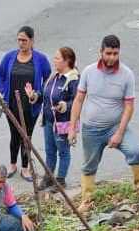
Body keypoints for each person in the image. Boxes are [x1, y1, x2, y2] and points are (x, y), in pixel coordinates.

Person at [68, 35, 139, 212]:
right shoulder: (89, 72)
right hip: (91, 129)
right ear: (101, 52)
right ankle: (87, 200)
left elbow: (129, 106)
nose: (112, 57)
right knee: (89, 165)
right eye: (108, 53)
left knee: (135, 152)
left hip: (115, 127)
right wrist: (72, 127)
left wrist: (119, 133)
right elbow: (79, 100)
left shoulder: (127, 75)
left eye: (115, 53)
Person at [0, 26, 51, 181]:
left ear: (32, 41)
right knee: (14, 135)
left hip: (31, 105)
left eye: (24, 40)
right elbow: (0, 75)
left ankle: (25, 167)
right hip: (11, 104)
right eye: (19, 40)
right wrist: (3, 91)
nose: (21, 43)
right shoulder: (9, 57)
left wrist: (38, 93)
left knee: (26, 136)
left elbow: (48, 79)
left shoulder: (40, 59)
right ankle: (12, 165)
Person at [34, 47, 79, 191]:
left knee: (63, 151)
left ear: (67, 61)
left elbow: (77, 101)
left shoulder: (73, 79)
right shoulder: (54, 77)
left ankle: (60, 180)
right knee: (49, 150)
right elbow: (44, 94)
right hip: (48, 121)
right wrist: (34, 96)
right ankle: (48, 177)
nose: (54, 61)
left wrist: (65, 105)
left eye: (57, 58)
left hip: (63, 123)